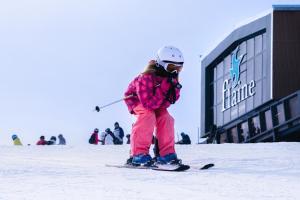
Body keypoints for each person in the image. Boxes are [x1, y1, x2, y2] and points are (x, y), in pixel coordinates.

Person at [124, 46, 184, 166]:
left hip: (155, 102)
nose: (175, 72)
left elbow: (169, 102)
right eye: (171, 67)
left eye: (179, 68)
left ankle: (167, 154)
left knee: (166, 118)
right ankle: (138, 154)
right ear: (161, 64)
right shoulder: (145, 77)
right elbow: (148, 104)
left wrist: (172, 88)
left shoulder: (171, 79)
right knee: (148, 116)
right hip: (136, 100)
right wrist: (164, 87)